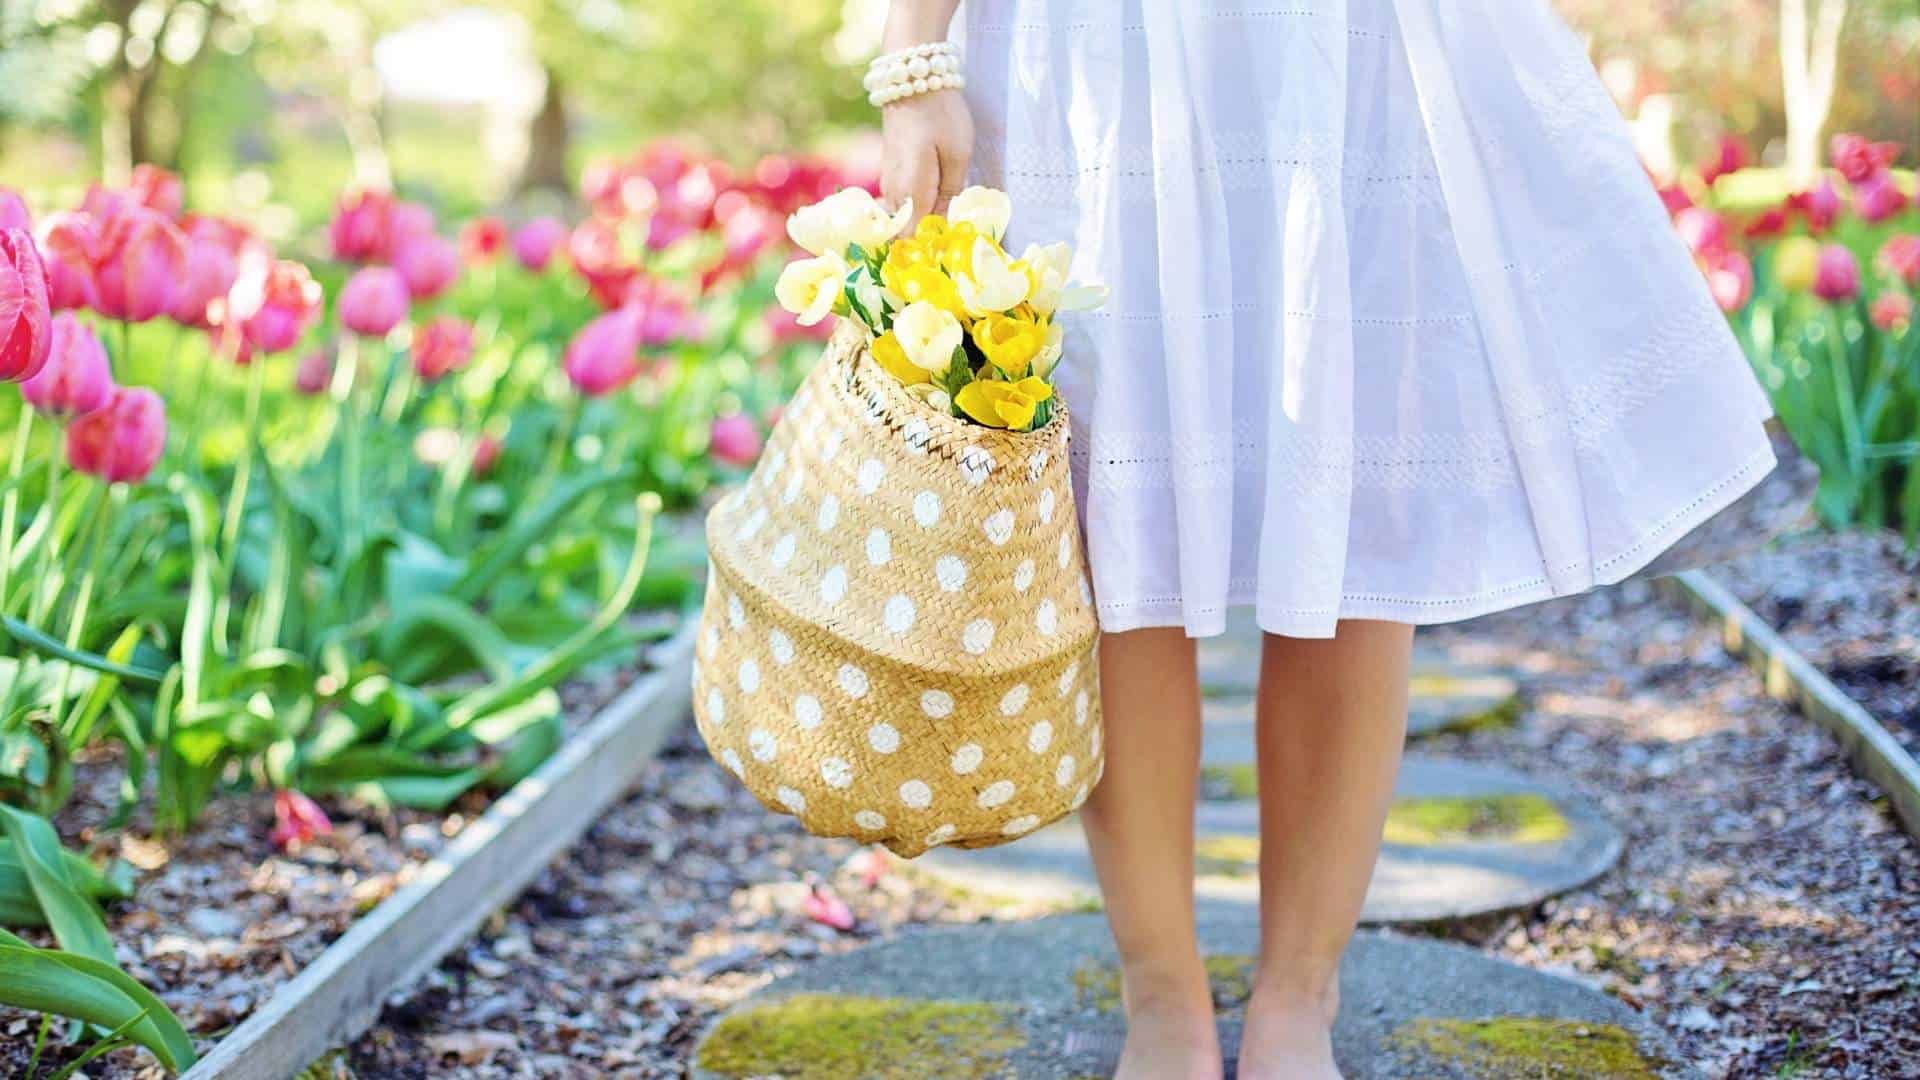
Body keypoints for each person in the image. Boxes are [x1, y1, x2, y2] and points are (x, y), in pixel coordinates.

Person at [873, 2, 1778, 1077]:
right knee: (1108, 504)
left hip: (1340, 41)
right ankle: (1161, 996)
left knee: (1351, 482)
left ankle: (1300, 997)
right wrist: (913, 56)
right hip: (1091, 48)